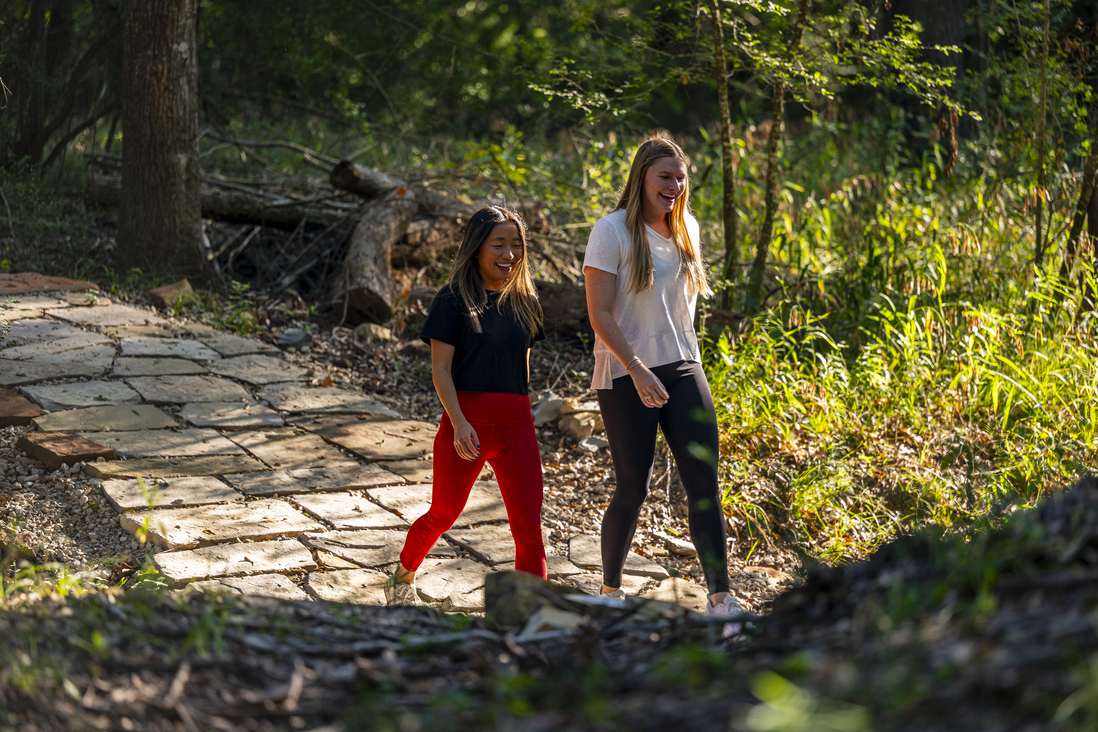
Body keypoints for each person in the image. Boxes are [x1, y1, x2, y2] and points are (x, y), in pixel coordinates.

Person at [583, 134, 742, 619]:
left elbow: (681, 311)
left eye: (680, 177)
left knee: (705, 483)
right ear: (642, 177)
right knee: (633, 486)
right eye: (664, 176)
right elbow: (600, 314)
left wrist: (673, 365)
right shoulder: (611, 232)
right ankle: (610, 591)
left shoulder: (688, 227)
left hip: (683, 365)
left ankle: (721, 597)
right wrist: (636, 368)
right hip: (625, 369)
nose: (673, 185)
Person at [386, 206, 547, 605]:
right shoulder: (453, 299)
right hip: (466, 427)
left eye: (516, 244)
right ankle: (402, 578)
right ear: (477, 247)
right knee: (443, 513)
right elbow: (440, 369)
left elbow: (522, 365)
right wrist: (458, 421)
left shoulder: (525, 299)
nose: (509, 253)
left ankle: (533, 612)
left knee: (528, 526)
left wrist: (524, 421)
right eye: (499, 244)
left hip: (516, 428)